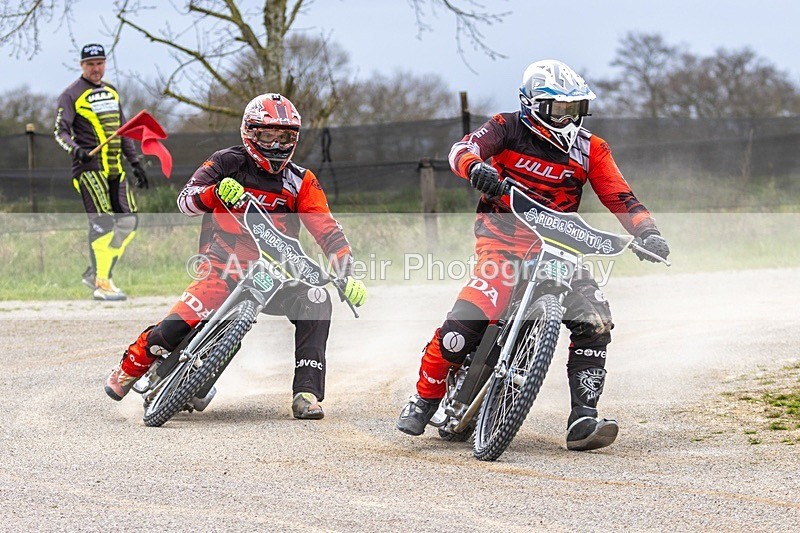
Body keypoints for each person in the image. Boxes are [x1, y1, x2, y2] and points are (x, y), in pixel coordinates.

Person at [396, 60, 670, 450]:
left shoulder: (591, 148)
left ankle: (583, 418)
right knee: (462, 328)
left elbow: (621, 196)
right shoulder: (506, 127)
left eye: (575, 108)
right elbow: (463, 149)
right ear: (533, 105)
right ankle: (424, 399)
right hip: (502, 243)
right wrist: (475, 169)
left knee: (595, 320)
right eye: (559, 109)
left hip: (559, 248)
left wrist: (647, 231)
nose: (567, 118)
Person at [104, 93, 367, 419]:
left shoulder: (301, 181)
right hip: (223, 265)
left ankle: (306, 393)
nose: (276, 145)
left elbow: (328, 231)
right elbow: (185, 201)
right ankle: (129, 368)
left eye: (285, 137)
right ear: (250, 132)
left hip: (277, 274)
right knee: (171, 330)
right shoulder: (226, 161)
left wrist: (346, 273)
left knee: (317, 299)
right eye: (267, 135)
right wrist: (214, 193)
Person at [54, 43, 149, 301]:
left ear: (105, 64)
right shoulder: (70, 94)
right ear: (82, 65)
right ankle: (102, 284)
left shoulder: (111, 91)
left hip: (116, 168)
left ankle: (96, 273)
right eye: (90, 64)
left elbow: (123, 130)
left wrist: (135, 162)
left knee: (129, 223)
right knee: (103, 222)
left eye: (100, 63)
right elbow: (60, 131)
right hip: (89, 169)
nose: (96, 68)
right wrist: (76, 150)